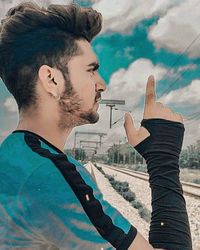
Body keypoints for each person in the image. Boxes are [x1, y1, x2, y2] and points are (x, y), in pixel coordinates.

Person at [0, 2, 192, 250]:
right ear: (52, 79)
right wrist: (163, 158)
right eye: (91, 71)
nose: (102, 84)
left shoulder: (15, 156)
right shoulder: (52, 176)